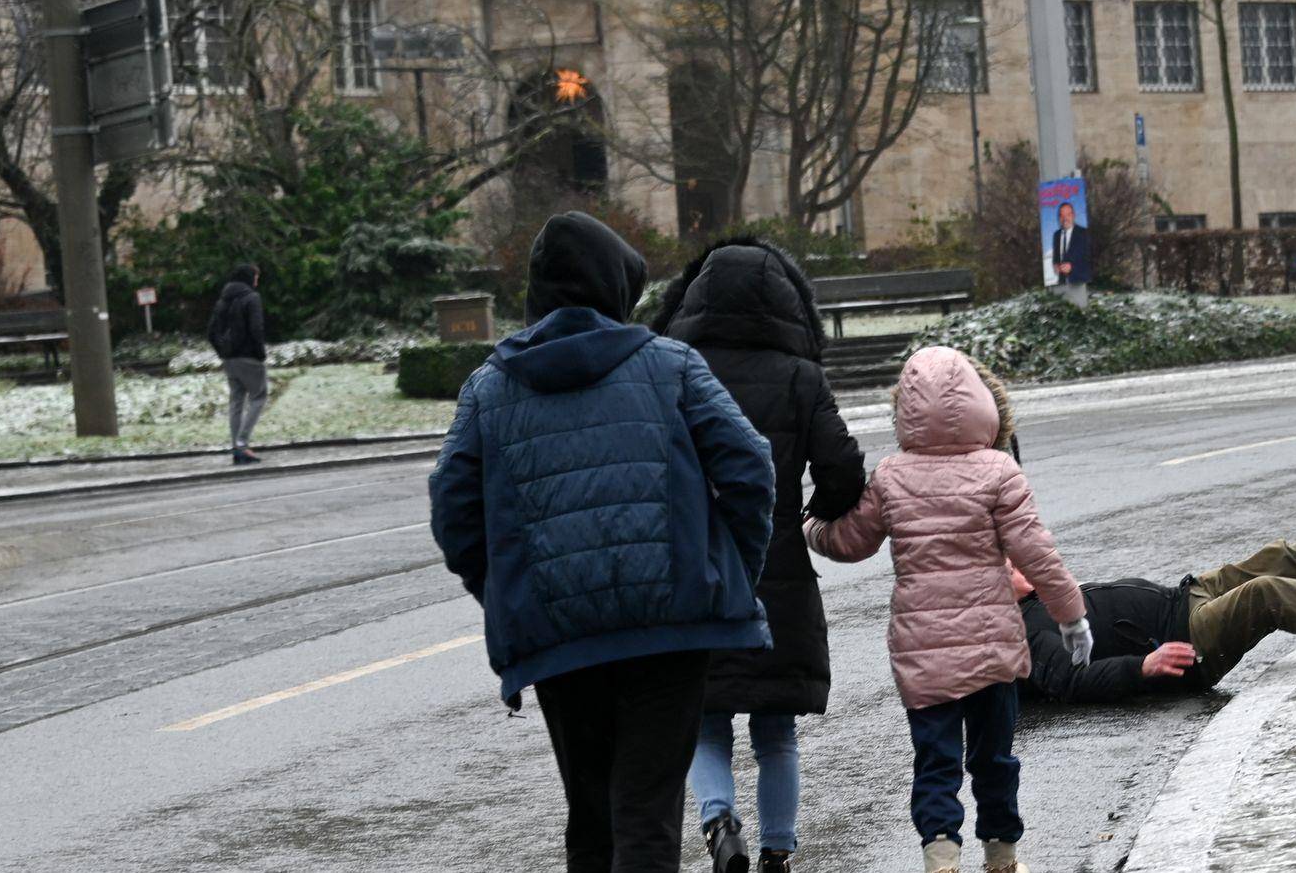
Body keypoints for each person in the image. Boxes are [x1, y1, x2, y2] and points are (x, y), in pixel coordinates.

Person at [428, 212, 777, 873]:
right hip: (669, 631)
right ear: (615, 290)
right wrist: (728, 570)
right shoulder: (669, 365)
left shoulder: (489, 388)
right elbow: (750, 468)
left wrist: (515, 590)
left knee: (590, 818)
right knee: (646, 812)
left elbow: (453, 510)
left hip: (560, 636)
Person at [805, 347, 1091, 873]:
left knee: (935, 759)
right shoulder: (1000, 472)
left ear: (906, 410)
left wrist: (812, 530)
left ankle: (941, 855)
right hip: (992, 645)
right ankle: (1002, 854)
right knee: (994, 757)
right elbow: (1036, 552)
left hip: (922, 649)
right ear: (985, 404)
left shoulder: (892, 476)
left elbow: (852, 541)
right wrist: (1070, 614)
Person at [650, 239, 866, 873]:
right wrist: (812, 513)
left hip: (695, 570)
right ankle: (777, 854)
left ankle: (719, 820)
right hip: (779, 577)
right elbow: (844, 470)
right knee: (776, 730)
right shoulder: (801, 378)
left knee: (705, 718)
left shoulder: (675, 370)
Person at [1016, 451, 1296, 704]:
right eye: (1008, 567)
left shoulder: (1043, 601)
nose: (1017, 564)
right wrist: (1142, 667)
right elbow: (1070, 682)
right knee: (1266, 594)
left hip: (1186, 596)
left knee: (1279, 559)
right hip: (1187, 644)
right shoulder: (1025, 633)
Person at [206, 264, 268, 464]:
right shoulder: (252, 298)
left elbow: (211, 332)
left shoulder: (222, 301)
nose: (257, 281)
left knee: (236, 401)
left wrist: (223, 352)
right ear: (249, 278)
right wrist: (260, 354)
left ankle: (236, 446)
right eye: (256, 277)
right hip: (249, 357)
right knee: (259, 396)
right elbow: (256, 329)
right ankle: (242, 443)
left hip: (229, 359)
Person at [1049, 202, 1092, 308]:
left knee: (1079, 312)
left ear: (1073, 216)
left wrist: (1072, 267)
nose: (1065, 219)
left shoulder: (1084, 233)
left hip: (1078, 281)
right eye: (1062, 216)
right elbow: (1056, 256)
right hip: (1060, 282)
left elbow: (1089, 259)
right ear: (1059, 218)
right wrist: (1055, 264)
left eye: (1068, 215)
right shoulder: (1056, 235)